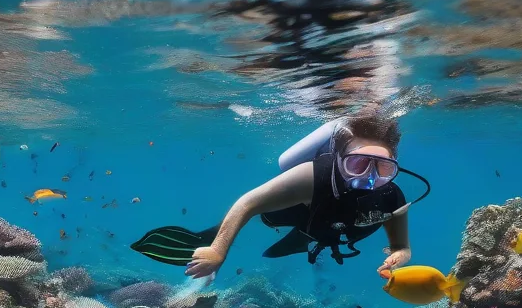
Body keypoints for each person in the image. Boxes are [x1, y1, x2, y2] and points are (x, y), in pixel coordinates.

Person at [131, 108, 429, 279]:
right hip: (278, 221)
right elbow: (248, 202)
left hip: (317, 232)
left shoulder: (392, 195)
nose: (370, 177)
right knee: (212, 241)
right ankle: (194, 240)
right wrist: (219, 250)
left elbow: (401, 244)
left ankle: (300, 240)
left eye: (383, 168)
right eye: (358, 164)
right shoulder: (312, 176)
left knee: (300, 241)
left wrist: (401, 254)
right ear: (340, 160)